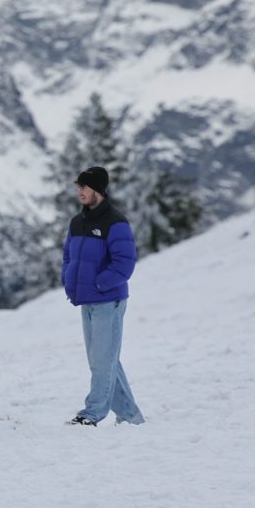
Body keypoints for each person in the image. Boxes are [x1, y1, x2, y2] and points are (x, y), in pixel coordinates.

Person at [62, 166, 145, 426]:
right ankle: (131, 417)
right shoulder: (77, 222)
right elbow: (68, 256)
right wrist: (68, 280)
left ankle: (92, 413)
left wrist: (100, 285)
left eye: (83, 187)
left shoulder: (115, 223)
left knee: (102, 360)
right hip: (86, 301)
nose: (79, 192)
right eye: (78, 187)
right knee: (105, 359)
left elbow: (125, 263)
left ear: (97, 189)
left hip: (108, 301)